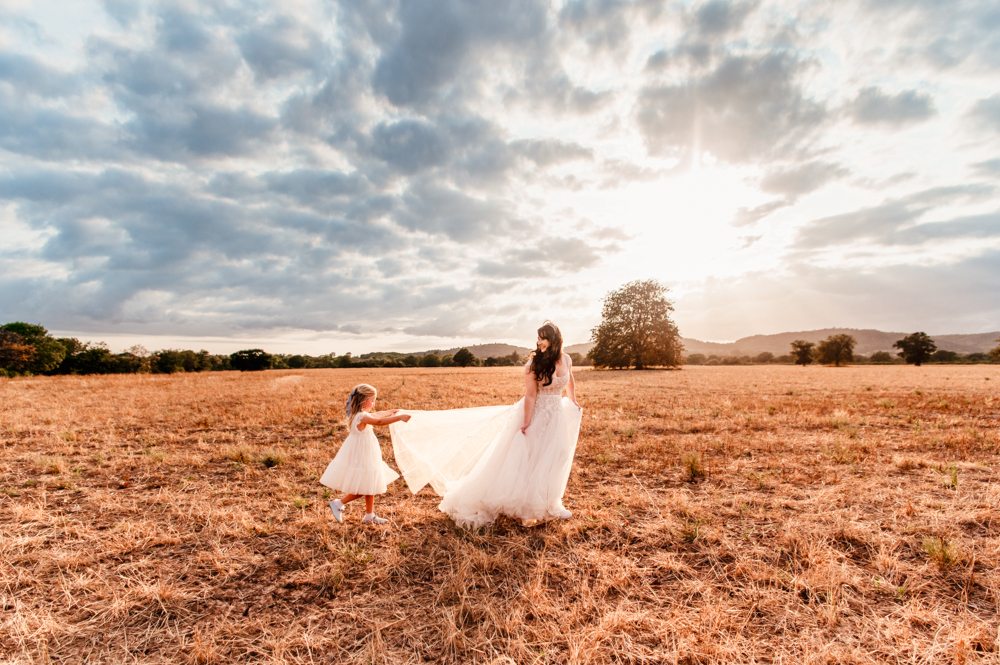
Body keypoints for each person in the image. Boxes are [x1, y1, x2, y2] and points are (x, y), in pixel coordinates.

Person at [390, 321, 583, 529]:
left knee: (556, 455)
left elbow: (569, 379)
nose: (539, 342)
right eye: (538, 338)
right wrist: (527, 421)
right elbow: (530, 395)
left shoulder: (566, 358)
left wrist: (572, 400)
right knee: (532, 457)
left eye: (543, 338)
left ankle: (553, 502)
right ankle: (531, 503)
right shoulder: (533, 365)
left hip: (556, 415)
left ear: (554, 340)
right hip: (537, 413)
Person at [321, 383, 411, 524]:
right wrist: (399, 418)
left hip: (366, 453)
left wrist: (392, 411)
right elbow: (379, 421)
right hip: (363, 455)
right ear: (365, 400)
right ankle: (338, 504)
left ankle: (369, 516)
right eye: (373, 400)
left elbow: (378, 414)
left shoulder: (358, 414)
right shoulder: (361, 416)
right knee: (366, 485)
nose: (374, 404)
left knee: (370, 484)